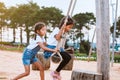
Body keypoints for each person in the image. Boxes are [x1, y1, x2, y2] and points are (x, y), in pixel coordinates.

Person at [45, 16, 74, 80]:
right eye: (69, 27)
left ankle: (56, 72)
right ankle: (55, 73)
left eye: (71, 28)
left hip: (57, 48)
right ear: (64, 25)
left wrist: (64, 50)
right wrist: (62, 29)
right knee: (67, 57)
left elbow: (61, 44)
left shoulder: (64, 33)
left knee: (68, 57)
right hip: (51, 47)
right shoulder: (57, 30)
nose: (70, 29)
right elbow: (57, 38)